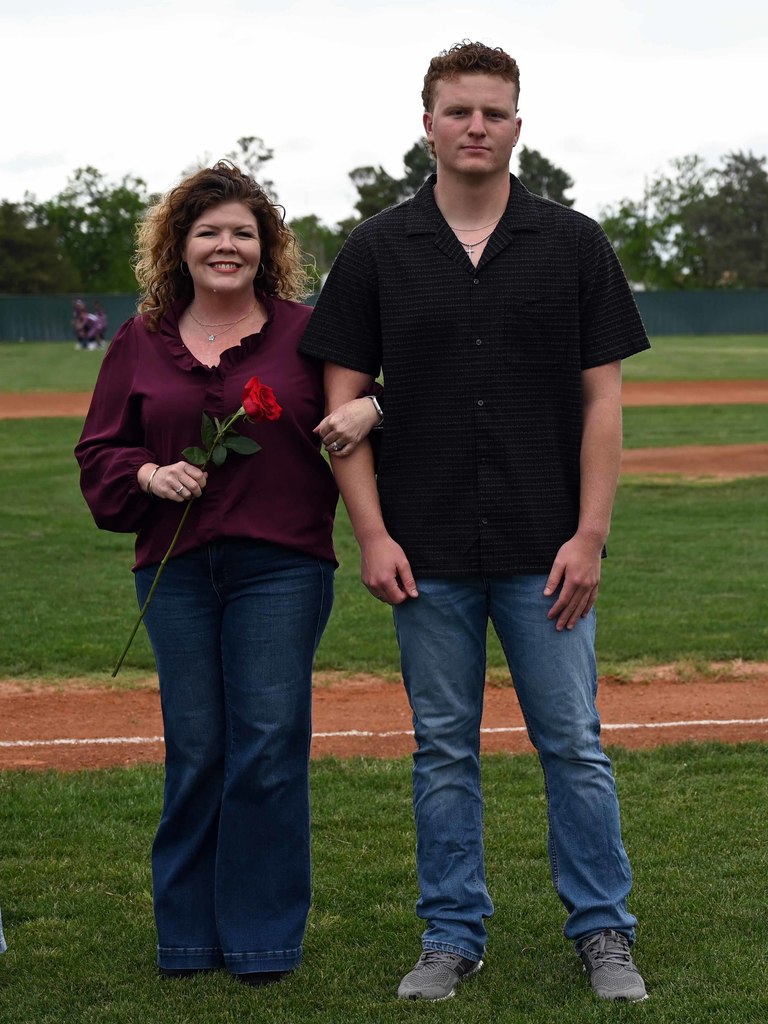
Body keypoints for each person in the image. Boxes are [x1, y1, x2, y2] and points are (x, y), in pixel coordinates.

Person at [300, 41, 651, 1003]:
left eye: (493, 112)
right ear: (428, 124)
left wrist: (589, 536)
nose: (476, 127)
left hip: (548, 550)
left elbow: (604, 406)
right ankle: (451, 934)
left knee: (573, 743)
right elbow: (341, 406)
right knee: (443, 749)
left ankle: (605, 934)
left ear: (517, 126)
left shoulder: (574, 244)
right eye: (459, 111)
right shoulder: (377, 249)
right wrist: (371, 533)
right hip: (428, 550)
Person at [75, 162, 374, 985]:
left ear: (266, 246)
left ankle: (261, 941)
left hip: (279, 566)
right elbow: (100, 451)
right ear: (179, 245)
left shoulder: (308, 334)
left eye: (243, 231)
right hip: (173, 574)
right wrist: (147, 475)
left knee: (269, 748)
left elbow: (368, 401)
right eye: (208, 231)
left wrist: (375, 404)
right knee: (198, 749)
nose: (226, 245)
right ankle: (187, 940)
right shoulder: (141, 339)